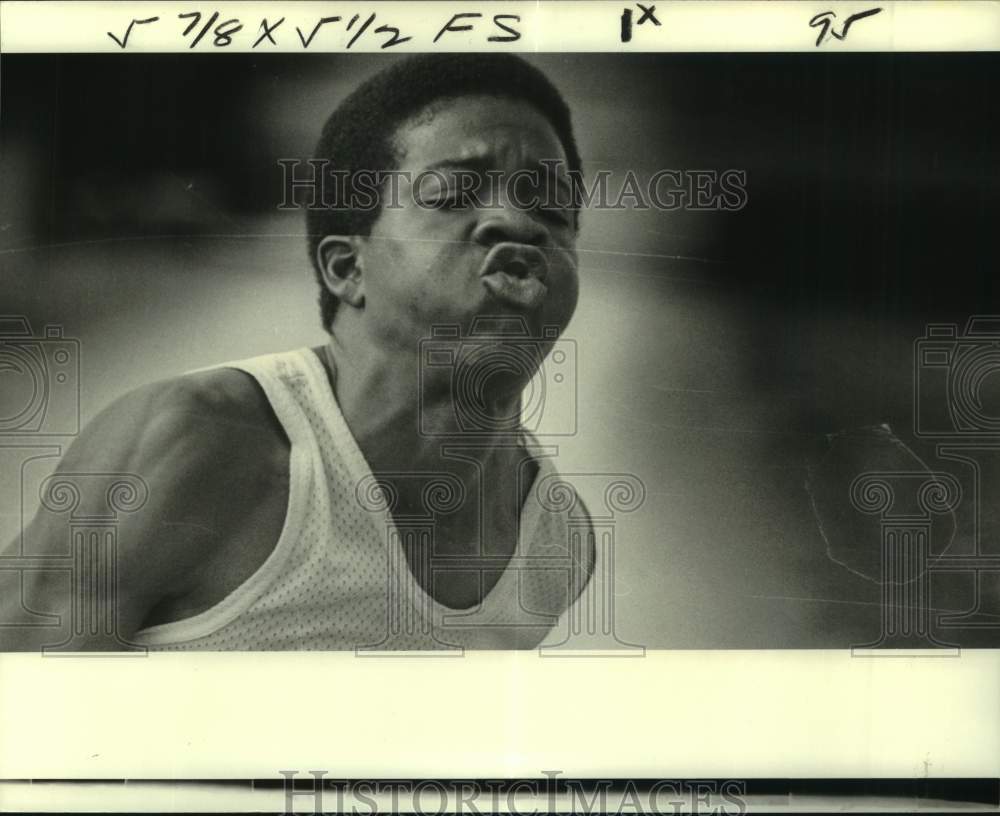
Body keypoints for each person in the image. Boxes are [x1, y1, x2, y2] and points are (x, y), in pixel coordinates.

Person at [0, 53, 594, 651]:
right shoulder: (190, 445)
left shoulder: (555, 539)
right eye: (454, 195)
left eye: (552, 209)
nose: (518, 223)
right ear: (346, 268)